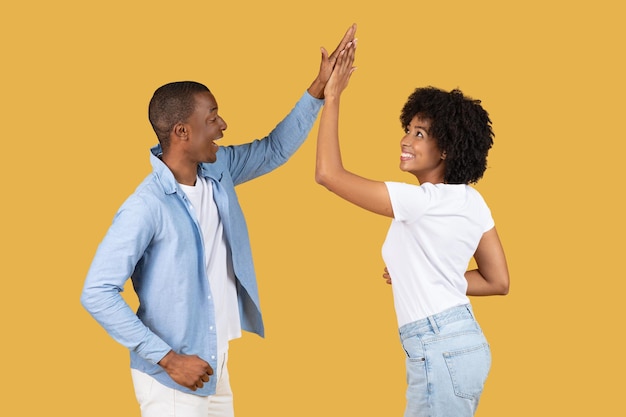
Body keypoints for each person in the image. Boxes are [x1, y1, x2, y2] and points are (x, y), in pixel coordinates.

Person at [80, 24, 357, 417]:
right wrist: (168, 359)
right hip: (172, 378)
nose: (223, 125)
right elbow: (97, 292)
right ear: (181, 132)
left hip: (213, 360)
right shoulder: (146, 206)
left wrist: (319, 89)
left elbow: (275, 149)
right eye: (212, 118)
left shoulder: (218, 170)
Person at [315, 41, 510, 416]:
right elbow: (497, 281)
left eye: (420, 134)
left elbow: (328, 174)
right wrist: (420, 274)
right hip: (463, 342)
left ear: (447, 149)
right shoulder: (472, 201)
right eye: (408, 129)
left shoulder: (419, 201)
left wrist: (333, 96)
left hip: (437, 345)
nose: (405, 139)